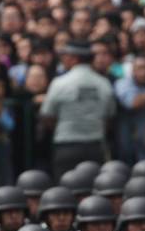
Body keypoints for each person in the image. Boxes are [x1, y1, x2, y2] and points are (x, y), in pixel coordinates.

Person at [40, 41, 115, 177]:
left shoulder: (59, 83)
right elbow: (109, 117)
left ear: (73, 58)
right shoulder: (104, 83)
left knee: (65, 186)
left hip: (66, 144)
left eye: (65, 55)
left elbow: (47, 115)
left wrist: (61, 127)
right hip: (95, 145)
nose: (63, 59)